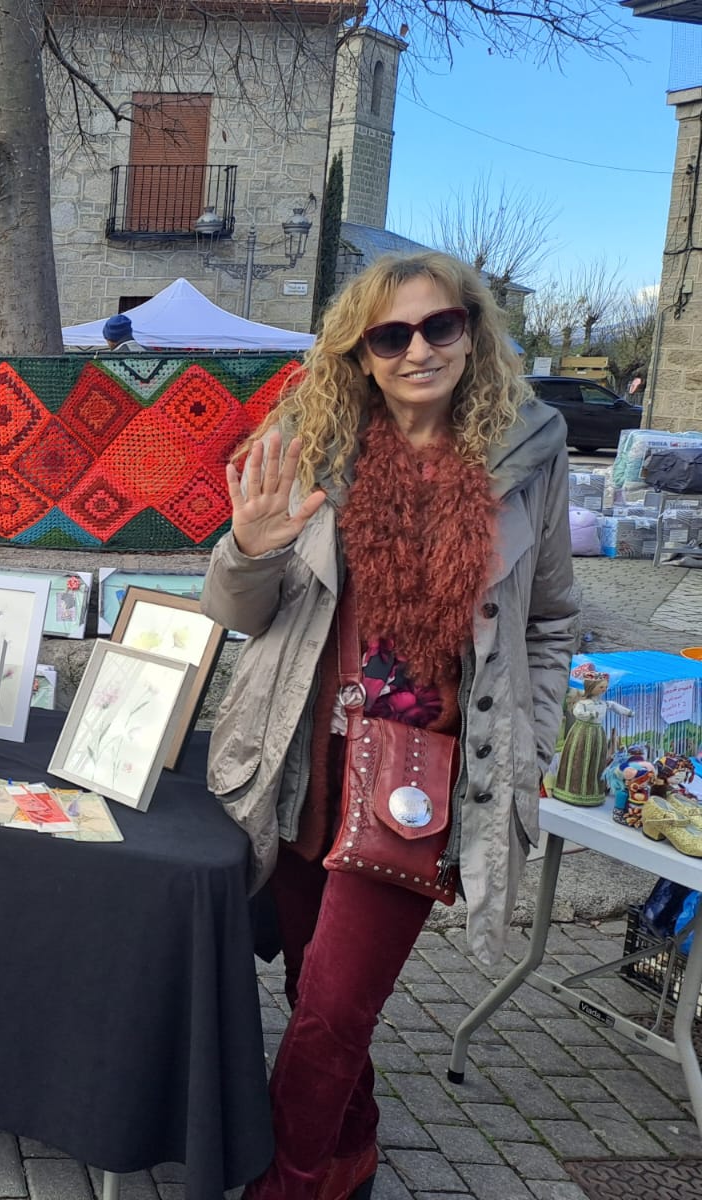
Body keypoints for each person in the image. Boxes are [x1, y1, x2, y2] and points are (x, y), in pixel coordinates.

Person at [202, 251, 575, 1200]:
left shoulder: (529, 454)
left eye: (440, 326)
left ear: (471, 334)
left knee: (334, 1009)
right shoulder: (310, 446)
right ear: (359, 352)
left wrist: (529, 742)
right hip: (304, 760)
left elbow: (550, 620)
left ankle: (287, 1183)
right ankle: (352, 1151)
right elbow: (237, 611)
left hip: (423, 778)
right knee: (310, 986)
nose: (419, 350)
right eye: (391, 334)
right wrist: (248, 548)